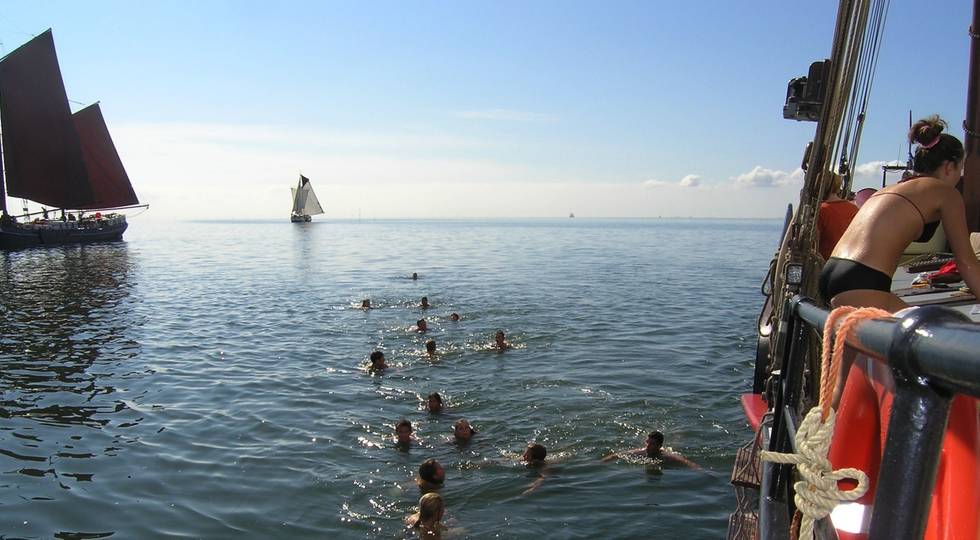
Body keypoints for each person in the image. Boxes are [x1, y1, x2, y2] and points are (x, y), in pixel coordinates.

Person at [819, 115, 980, 312]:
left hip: (831, 274)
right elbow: (966, 262)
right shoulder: (946, 193)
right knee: (945, 335)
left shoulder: (893, 189)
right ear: (949, 167)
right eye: (960, 169)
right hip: (861, 281)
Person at [601, 431, 699, 469]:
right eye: (647, 442)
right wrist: (600, 463)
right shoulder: (642, 451)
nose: (648, 446)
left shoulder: (668, 456)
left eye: (652, 444)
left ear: (660, 445)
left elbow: (689, 464)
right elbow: (617, 455)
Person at [817, 173, 859, 260]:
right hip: (850, 261)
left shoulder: (821, 211)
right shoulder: (854, 208)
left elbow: (814, 246)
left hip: (828, 265)